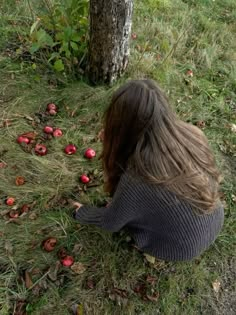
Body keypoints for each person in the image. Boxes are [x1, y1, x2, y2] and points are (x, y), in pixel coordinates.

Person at [71, 79, 224, 261]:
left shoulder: (139, 175)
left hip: (180, 249)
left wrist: (82, 212)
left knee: (133, 216)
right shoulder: (193, 134)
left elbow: (111, 222)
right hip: (215, 219)